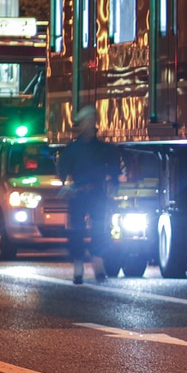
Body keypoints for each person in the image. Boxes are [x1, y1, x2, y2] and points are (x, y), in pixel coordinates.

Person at [57, 106, 121, 284]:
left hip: (97, 193)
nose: (90, 124)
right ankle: (78, 267)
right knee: (77, 230)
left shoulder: (102, 148)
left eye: (92, 120)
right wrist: (66, 185)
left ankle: (98, 265)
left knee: (99, 229)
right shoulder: (72, 149)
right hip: (79, 194)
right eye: (86, 121)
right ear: (81, 124)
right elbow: (62, 169)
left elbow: (114, 166)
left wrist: (114, 183)